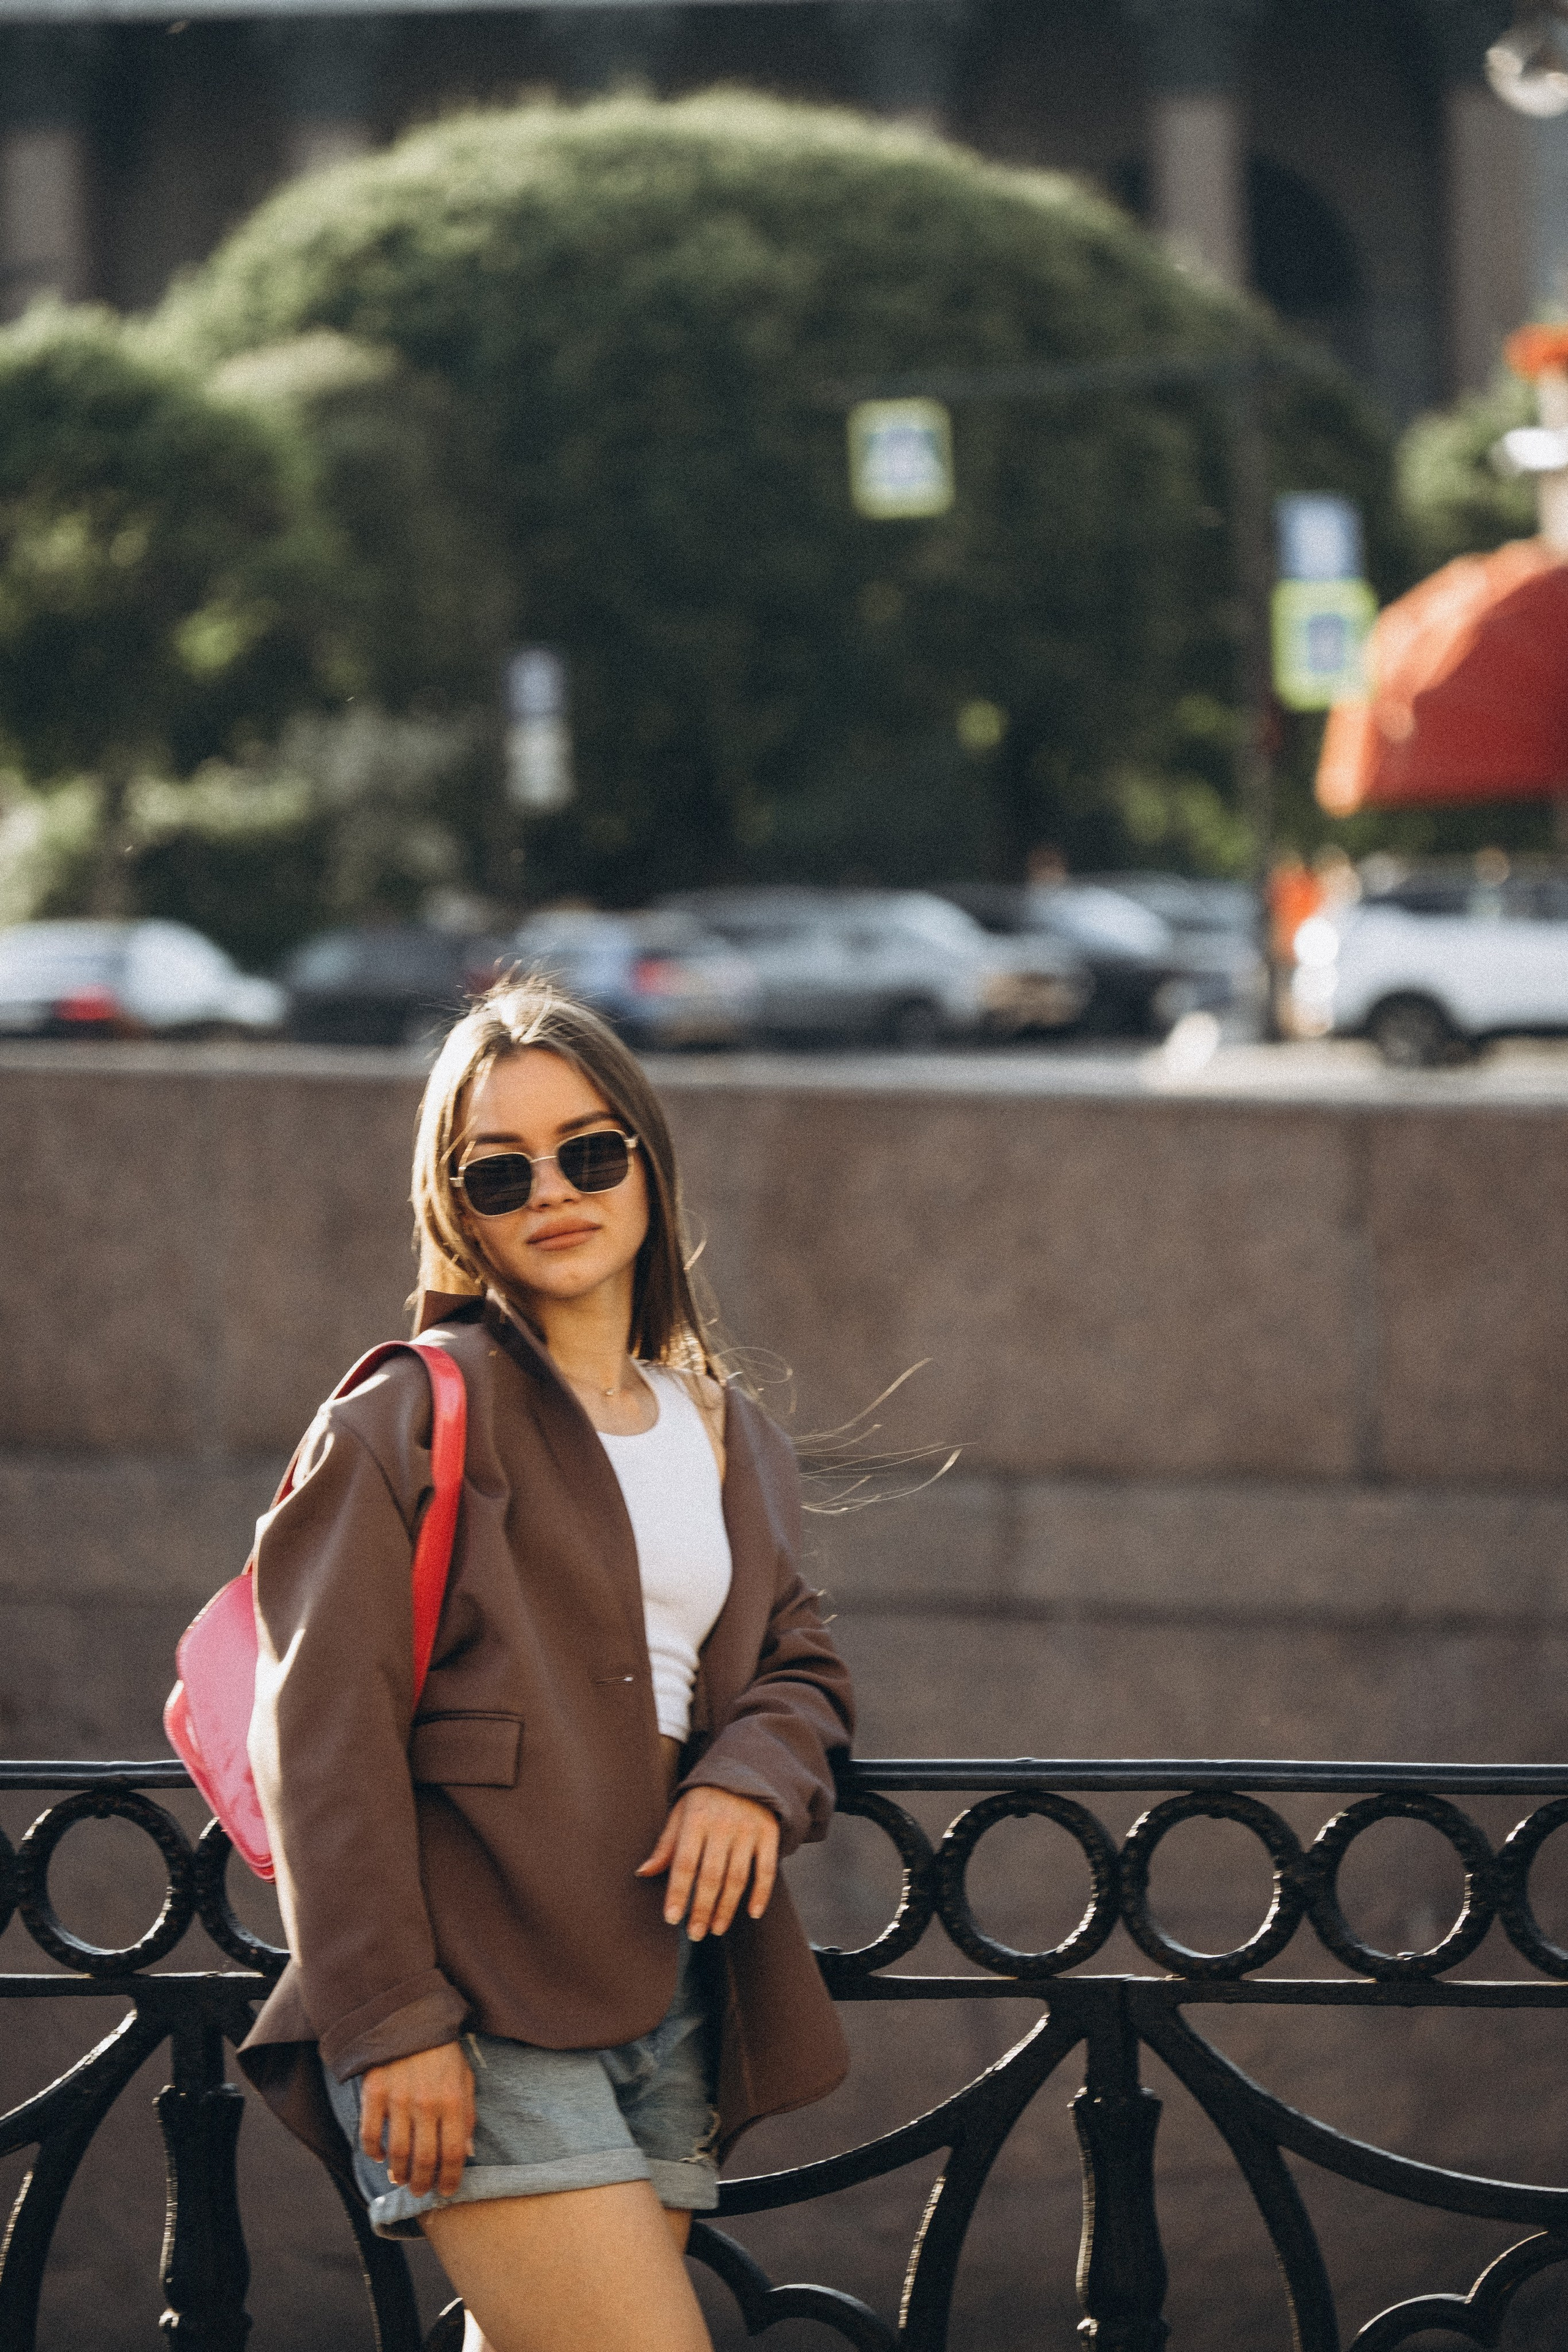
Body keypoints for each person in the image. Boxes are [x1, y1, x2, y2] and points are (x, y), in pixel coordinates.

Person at [236, 978, 856, 2352]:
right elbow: (318, 1741)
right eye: (499, 1169)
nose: (552, 1192)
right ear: (456, 1206)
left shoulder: (723, 1429)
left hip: (671, 1996)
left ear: (645, 1158)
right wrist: (394, 2020)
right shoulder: (401, 1415)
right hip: (474, 2003)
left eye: (587, 1150)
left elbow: (797, 1660)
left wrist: (749, 1779)